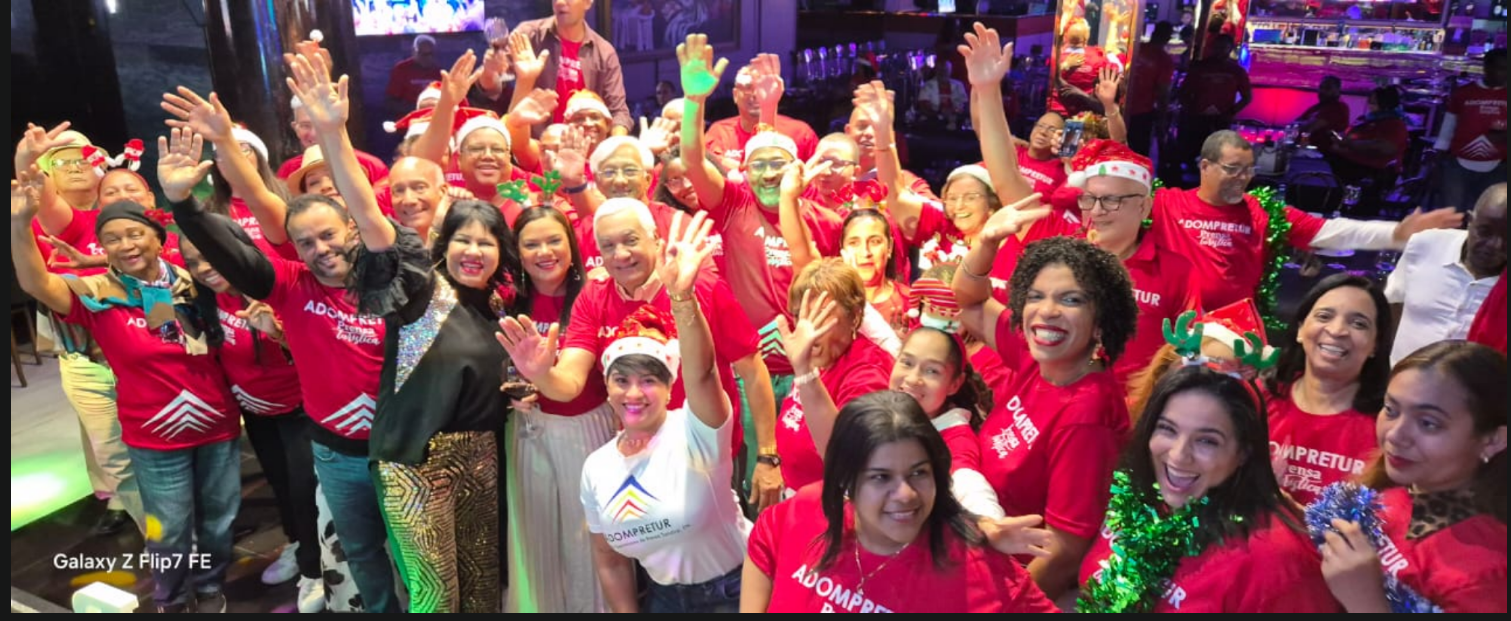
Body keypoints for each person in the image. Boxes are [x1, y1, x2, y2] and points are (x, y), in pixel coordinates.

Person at [288, 48, 511, 611]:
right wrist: (333, 134)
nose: (473, 251)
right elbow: (368, 215)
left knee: (482, 591)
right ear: (443, 243)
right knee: (434, 599)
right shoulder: (418, 285)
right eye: (463, 241)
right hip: (415, 465)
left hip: (482, 461)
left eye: (486, 243)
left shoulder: (497, 304)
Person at [166, 136, 400, 611]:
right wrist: (183, 204)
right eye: (306, 242)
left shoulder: (393, 283)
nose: (321, 249)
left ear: (352, 230)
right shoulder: (291, 285)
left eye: (329, 235)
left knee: (413, 554)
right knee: (360, 552)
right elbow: (233, 257)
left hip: (398, 450)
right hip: (337, 455)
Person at [12, 180, 240, 614]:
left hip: (217, 426)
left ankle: (210, 586)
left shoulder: (196, 284)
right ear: (103, 249)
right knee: (168, 528)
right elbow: (36, 282)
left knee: (219, 518)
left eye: (135, 234)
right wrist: (19, 225)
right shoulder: (97, 294)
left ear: (158, 238)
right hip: (154, 438)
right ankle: (172, 599)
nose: (126, 245)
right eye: (112, 239)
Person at [495, 198, 778, 511]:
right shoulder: (593, 297)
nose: (620, 254)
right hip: (638, 456)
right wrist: (541, 374)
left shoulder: (702, 287)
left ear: (655, 239)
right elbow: (570, 382)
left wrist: (768, 454)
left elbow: (753, 371)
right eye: (608, 246)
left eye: (630, 241)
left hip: (707, 453)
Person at [574, 211, 750, 613]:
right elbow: (609, 559)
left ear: (670, 387)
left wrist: (682, 298)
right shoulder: (597, 467)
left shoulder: (696, 432)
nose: (634, 393)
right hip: (662, 600)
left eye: (650, 380)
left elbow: (704, 372)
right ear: (607, 387)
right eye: (621, 380)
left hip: (734, 593)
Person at [743, 392, 1059, 613]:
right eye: (881, 477)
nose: (906, 494)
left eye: (919, 473)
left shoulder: (975, 565)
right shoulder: (810, 508)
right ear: (847, 480)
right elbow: (764, 543)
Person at [955, 232, 1139, 599]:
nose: (1047, 311)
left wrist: (1000, 608)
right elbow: (969, 302)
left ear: (1101, 322)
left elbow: (1064, 553)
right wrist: (987, 243)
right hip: (972, 543)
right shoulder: (1039, 355)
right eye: (1035, 296)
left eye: (1071, 299)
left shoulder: (1088, 414)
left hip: (1006, 581)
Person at [1077, 366, 1341, 613]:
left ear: (1244, 452)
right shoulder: (1139, 497)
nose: (1178, 455)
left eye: (1207, 441)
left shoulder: (1274, 561)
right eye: (1167, 429)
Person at [679, 34, 845, 402]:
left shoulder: (826, 221)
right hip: (748, 370)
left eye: (778, 165)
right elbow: (692, 161)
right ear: (744, 171)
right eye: (759, 166)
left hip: (811, 368)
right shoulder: (734, 204)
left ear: (797, 168)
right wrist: (694, 102)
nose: (769, 174)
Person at [1150, 130, 1463, 310]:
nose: (1243, 178)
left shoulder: (1264, 211)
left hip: (1235, 328)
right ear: (1205, 166)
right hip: (1171, 324)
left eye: (1249, 169)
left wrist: (1397, 233)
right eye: (1233, 169)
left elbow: (1334, 232)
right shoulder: (1166, 203)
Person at [13, 125, 147, 537]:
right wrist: (25, 163)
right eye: (62, 161)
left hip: (143, 347)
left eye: (81, 158)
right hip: (84, 348)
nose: (73, 167)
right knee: (109, 444)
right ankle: (147, 524)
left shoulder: (126, 218)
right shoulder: (49, 219)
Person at [178, 235, 325, 611]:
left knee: (304, 491)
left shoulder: (272, 289)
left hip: (300, 411)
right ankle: (298, 545)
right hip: (257, 413)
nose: (204, 268)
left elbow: (319, 349)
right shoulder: (203, 298)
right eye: (193, 262)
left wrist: (276, 331)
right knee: (281, 486)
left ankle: (315, 569)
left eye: (211, 255)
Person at [1321, 341, 1506, 613]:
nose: (1395, 435)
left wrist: (1366, 602)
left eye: (1428, 423)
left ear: (1492, 440)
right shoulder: (1400, 486)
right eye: (1391, 410)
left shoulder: (1488, 573)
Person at [503, 206, 613, 613]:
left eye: (554, 241)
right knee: (534, 536)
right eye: (531, 244)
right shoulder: (506, 300)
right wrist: (505, 395)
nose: (544, 252)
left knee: (587, 537)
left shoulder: (596, 293)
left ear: (572, 245)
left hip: (589, 427)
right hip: (527, 429)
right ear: (516, 251)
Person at [1064, 140, 1202, 385]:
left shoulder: (1176, 272)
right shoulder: (1063, 258)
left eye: (1110, 200)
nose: (1096, 211)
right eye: (1089, 199)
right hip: (1064, 396)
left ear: (1144, 207)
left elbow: (1189, 349)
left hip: (1136, 404)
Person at [1264, 275, 1393, 506]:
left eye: (1359, 324)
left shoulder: (1389, 425)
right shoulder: (1258, 398)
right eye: (1324, 316)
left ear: (1376, 344)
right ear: (1300, 329)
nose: (1337, 330)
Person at [772, 260, 897, 492]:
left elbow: (846, 457)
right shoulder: (818, 356)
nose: (809, 329)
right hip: (797, 498)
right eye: (800, 315)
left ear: (855, 317)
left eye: (821, 316)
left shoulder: (869, 371)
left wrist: (805, 372)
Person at [1386, 183, 1506, 365]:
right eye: (1484, 232)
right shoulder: (1425, 244)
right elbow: (1394, 303)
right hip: (1396, 375)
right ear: (1470, 221)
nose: (1495, 245)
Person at [511, 0, 632, 133]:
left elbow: (618, 112)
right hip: (536, 141)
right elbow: (496, 84)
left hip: (585, 142)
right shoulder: (529, 35)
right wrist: (497, 72)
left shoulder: (604, 53)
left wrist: (616, 143)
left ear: (588, 3)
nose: (560, 2)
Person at [704, 55, 820, 168]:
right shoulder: (719, 133)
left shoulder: (801, 133)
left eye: (762, 87)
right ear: (735, 95)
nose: (756, 94)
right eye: (748, 87)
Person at [1433, 48, 1506, 213]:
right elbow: (1448, 126)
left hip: (1498, 165)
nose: (1505, 74)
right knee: (1452, 214)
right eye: (1501, 68)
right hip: (1458, 163)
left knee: (1489, 215)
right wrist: (1438, 158)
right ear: (1487, 68)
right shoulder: (1464, 93)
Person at [1322, 85, 1410, 210]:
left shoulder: (1394, 125)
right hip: (1346, 162)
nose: (1370, 105)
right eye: (1370, 101)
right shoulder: (1365, 120)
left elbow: (1386, 148)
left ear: (1386, 104)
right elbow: (1348, 137)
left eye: (1374, 102)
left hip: (1368, 173)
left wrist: (1349, 144)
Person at [1175, 36, 1251, 169]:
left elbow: (1247, 97)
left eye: (1224, 47)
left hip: (1221, 119)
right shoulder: (1200, 67)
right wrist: (1191, 110)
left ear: (1230, 49)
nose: (1220, 51)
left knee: (1218, 155)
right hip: (1197, 118)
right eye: (1217, 47)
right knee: (1193, 153)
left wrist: (1231, 112)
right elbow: (1183, 92)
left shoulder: (1237, 71)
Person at [1126, 21, 1176, 157]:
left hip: (1124, 107)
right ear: (1168, 38)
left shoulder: (1136, 49)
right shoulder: (1164, 60)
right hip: (1142, 111)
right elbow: (1163, 92)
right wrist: (1162, 118)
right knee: (1138, 152)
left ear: (1153, 33)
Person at [386, 34, 443, 118]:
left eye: (430, 54)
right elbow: (390, 102)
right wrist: (417, 109)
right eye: (423, 54)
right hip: (409, 117)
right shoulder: (401, 69)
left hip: (433, 117)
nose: (427, 58)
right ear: (414, 52)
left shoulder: (439, 72)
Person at [1296, 76, 1351, 151]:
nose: (1322, 91)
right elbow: (1295, 124)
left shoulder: (1338, 108)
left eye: (1328, 88)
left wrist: (1302, 125)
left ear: (1338, 91)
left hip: (1322, 152)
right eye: (1321, 87)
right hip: (1306, 149)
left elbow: (1310, 128)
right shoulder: (1316, 107)